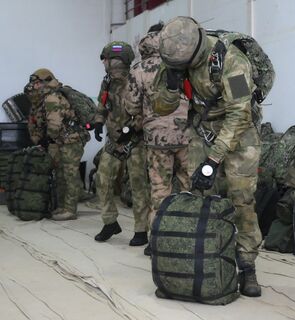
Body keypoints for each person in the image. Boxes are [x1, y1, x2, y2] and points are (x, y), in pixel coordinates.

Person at [152, 16, 264, 297]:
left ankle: (247, 264)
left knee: (241, 199)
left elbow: (240, 113)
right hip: (203, 130)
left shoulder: (231, 60)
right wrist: (172, 86)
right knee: (200, 196)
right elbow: (161, 108)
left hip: (240, 133)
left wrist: (214, 160)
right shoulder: (174, 59)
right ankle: (208, 256)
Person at [125, 22, 191, 256]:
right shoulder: (183, 63)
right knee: (188, 189)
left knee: (160, 190)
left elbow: (131, 106)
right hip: (187, 136)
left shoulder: (139, 69)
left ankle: (157, 242)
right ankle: (190, 239)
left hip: (156, 139)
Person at [93, 41, 151, 246]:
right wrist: (99, 123)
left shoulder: (137, 80)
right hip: (114, 140)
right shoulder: (107, 81)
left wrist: (131, 129)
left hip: (135, 141)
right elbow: (103, 104)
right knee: (102, 180)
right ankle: (110, 222)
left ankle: (141, 230)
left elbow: (147, 111)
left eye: (106, 59)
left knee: (138, 186)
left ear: (115, 61)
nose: (103, 63)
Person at [26, 68, 90, 221]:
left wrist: (50, 139)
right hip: (64, 141)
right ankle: (63, 206)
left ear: (45, 82)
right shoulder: (47, 97)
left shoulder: (52, 98)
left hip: (71, 141)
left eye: (36, 83)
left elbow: (54, 124)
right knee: (61, 175)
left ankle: (70, 210)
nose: (34, 86)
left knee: (70, 175)